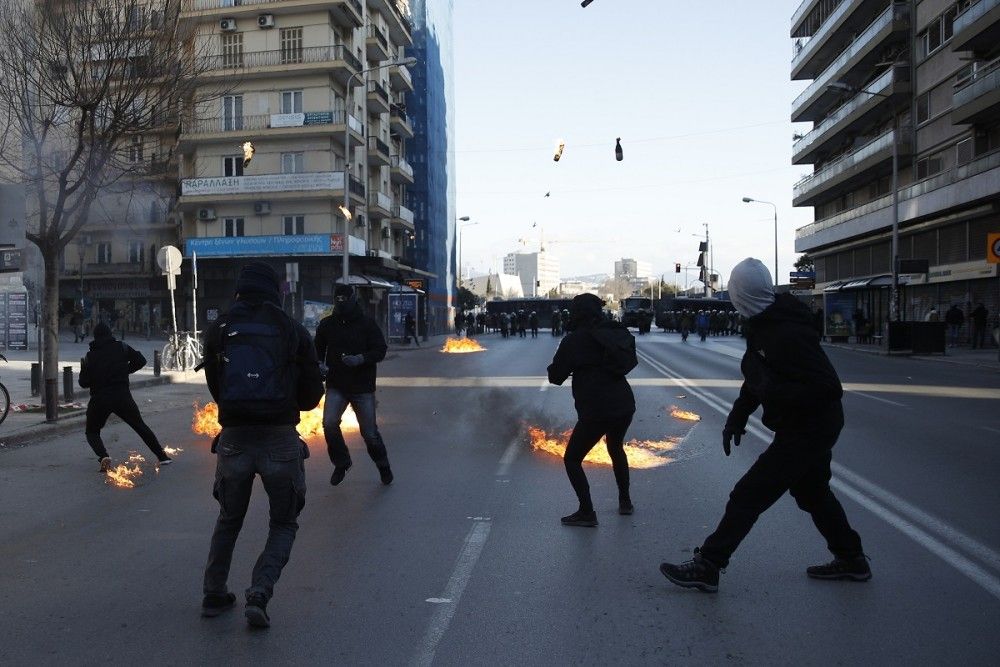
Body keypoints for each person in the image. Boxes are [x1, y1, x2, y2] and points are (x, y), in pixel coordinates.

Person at [659, 258, 868, 593]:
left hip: (808, 428)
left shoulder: (785, 333)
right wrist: (738, 416)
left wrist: (777, 393)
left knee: (748, 495)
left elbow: (828, 387)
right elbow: (758, 377)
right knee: (813, 492)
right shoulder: (764, 324)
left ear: (742, 294)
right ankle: (852, 559)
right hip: (808, 425)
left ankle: (709, 564)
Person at [200, 262, 324, 627]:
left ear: (239, 289)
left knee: (229, 519)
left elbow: (215, 386)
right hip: (279, 440)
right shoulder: (292, 329)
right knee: (283, 524)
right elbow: (311, 395)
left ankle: (214, 592)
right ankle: (260, 592)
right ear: (276, 291)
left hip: (234, 439)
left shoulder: (220, 328)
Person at [547, 293, 638, 527]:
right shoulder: (613, 332)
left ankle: (586, 512)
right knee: (616, 448)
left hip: (597, 409)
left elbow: (555, 377)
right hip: (624, 405)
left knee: (572, 459)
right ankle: (625, 502)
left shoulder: (575, 340)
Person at [315, 285, 394, 487]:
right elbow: (317, 351)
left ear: (352, 299)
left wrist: (361, 359)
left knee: (369, 433)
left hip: (362, 387)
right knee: (329, 424)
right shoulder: (327, 325)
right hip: (336, 385)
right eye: (337, 298)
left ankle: (383, 465)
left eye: (344, 298)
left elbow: (380, 349)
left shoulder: (367, 324)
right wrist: (320, 365)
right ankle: (342, 462)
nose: (341, 301)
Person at [79, 322, 171, 471]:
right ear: (110, 334)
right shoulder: (122, 347)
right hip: (122, 396)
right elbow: (141, 361)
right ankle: (162, 457)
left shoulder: (90, 356)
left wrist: (89, 372)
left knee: (92, 431)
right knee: (140, 426)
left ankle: (103, 456)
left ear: (95, 337)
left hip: (99, 399)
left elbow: (84, 382)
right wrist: (125, 370)